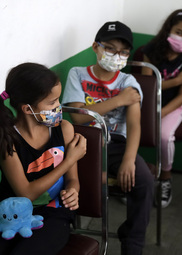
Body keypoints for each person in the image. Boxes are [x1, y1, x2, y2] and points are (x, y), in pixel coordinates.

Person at [62, 21, 154, 255]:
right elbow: (79, 117)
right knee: (69, 179)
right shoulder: (78, 74)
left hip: (116, 145)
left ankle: (132, 243)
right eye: (110, 48)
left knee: (143, 180)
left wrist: (129, 160)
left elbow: (134, 125)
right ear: (96, 47)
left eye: (123, 52)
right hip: (83, 142)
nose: (117, 55)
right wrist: (118, 101)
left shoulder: (128, 83)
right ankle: (65, 232)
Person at [0, 63, 87, 255]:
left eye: (58, 99)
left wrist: (73, 190)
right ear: (28, 109)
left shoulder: (64, 129)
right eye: (52, 102)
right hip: (10, 214)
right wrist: (69, 160)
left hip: (54, 212)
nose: (59, 106)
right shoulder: (7, 139)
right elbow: (26, 194)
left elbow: (73, 180)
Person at [141, 9, 182, 208]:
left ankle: (165, 177)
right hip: (146, 103)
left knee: (165, 136)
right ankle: (132, 177)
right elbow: (147, 88)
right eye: (180, 32)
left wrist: (161, 113)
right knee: (125, 130)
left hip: (174, 107)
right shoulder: (149, 52)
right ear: (169, 29)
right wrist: (178, 80)